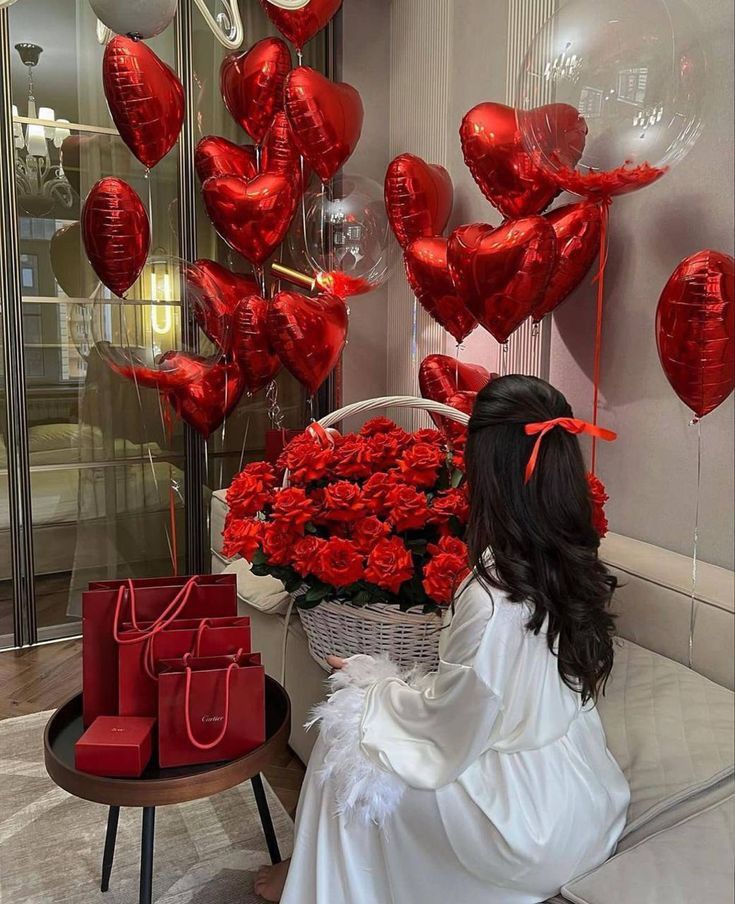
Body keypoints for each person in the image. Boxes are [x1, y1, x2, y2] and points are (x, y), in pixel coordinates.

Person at [255, 375, 630, 904]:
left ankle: (317, 881)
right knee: (364, 716)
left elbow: (455, 726)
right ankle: (315, 869)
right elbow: (490, 697)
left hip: (524, 829)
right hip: (582, 801)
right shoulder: (569, 558)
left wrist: (375, 684)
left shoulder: (492, 591)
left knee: (347, 730)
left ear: (486, 469)